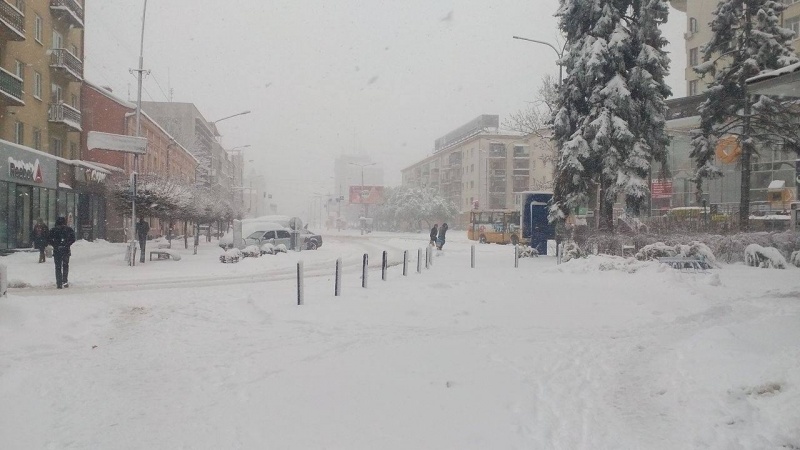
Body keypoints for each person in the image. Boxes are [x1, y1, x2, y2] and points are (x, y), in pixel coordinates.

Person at [49, 217, 75, 289]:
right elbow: (73, 239)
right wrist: (66, 244)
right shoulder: (68, 230)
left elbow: (49, 239)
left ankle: (59, 283)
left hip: (57, 250)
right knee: (65, 265)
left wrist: (56, 245)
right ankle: (65, 281)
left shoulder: (53, 230)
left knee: (58, 267)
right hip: (66, 250)